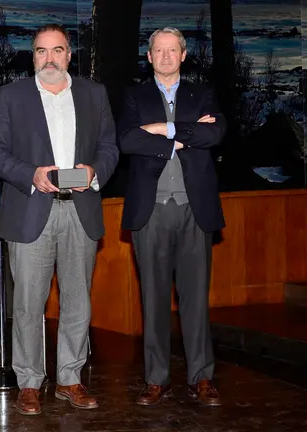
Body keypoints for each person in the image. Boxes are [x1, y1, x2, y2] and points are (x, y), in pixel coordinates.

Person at [0, 24, 119, 413]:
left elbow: (110, 147)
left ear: (69, 55)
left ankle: (70, 379)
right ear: (33, 57)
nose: (50, 59)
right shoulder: (11, 96)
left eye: (57, 50)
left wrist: (95, 172)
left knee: (78, 300)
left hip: (81, 210)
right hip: (31, 210)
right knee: (29, 302)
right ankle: (29, 381)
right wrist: (32, 174)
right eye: (41, 52)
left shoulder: (94, 94)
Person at [118, 27, 226, 407]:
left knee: (196, 299)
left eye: (172, 50)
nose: (165, 56)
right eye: (158, 50)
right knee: (154, 299)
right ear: (149, 57)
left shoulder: (203, 93)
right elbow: (128, 141)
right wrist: (187, 134)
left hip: (195, 209)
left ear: (183, 55)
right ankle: (156, 379)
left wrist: (164, 130)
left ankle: (202, 377)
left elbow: (216, 136)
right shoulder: (134, 96)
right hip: (151, 211)